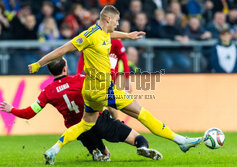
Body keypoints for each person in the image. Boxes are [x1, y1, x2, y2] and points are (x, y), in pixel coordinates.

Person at [28, 5, 202, 165]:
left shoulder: (101, 33)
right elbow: (62, 49)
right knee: (141, 113)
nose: (118, 24)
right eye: (117, 21)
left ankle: (54, 150)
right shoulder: (88, 36)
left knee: (85, 125)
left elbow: (108, 35)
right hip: (103, 89)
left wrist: (127, 35)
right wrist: (38, 64)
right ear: (108, 19)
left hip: (91, 91)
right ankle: (181, 141)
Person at [1, 58, 162, 164]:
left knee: (105, 155)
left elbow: (29, 113)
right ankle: (143, 147)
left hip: (76, 129)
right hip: (97, 120)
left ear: (52, 72)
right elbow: (106, 82)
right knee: (138, 138)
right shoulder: (80, 79)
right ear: (65, 68)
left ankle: (96, 152)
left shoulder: (47, 92)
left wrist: (11, 109)